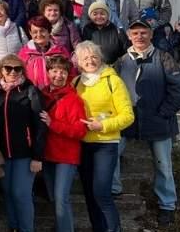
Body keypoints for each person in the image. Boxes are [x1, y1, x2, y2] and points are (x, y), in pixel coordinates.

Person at [116, 19, 180, 226]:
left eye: (143, 33)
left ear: (150, 35)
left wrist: (164, 112)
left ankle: (167, 205)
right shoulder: (122, 61)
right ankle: (113, 192)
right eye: (135, 33)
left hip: (159, 121)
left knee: (163, 165)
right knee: (112, 154)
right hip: (129, 122)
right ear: (129, 36)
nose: (139, 37)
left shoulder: (164, 58)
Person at [74, 41, 134, 232]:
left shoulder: (112, 81)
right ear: (78, 62)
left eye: (94, 56)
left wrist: (103, 125)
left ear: (100, 58)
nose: (90, 61)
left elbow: (128, 116)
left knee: (101, 193)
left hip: (105, 144)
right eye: (85, 58)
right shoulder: (75, 83)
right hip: (83, 144)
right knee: (90, 194)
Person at [0, 54, 45, 232]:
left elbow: (40, 125)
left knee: (21, 194)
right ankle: (14, 227)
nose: (13, 72)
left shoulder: (30, 91)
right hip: (3, 153)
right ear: (1, 71)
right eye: (8, 68)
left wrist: (37, 156)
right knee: (7, 192)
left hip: (25, 153)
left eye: (17, 69)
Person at [39, 55, 88, 232]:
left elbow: (80, 131)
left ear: (68, 75)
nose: (58, 75)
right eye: (54, 71)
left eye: (63, 72)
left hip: (66, 156)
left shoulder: (73, 99)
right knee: (53, 197)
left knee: (61, 198)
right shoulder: (41, 94)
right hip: (47, 154)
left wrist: (53, 124)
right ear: (48, 72)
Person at [18, 16, 74, 91]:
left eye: (42, 31)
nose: (39, 34)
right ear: (30, 33)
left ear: (49, 31)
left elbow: (71, 72)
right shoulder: (25, 53)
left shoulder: (60, 51)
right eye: (35, 32)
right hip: (35, 95)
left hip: (58, 93)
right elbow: (19, 75)